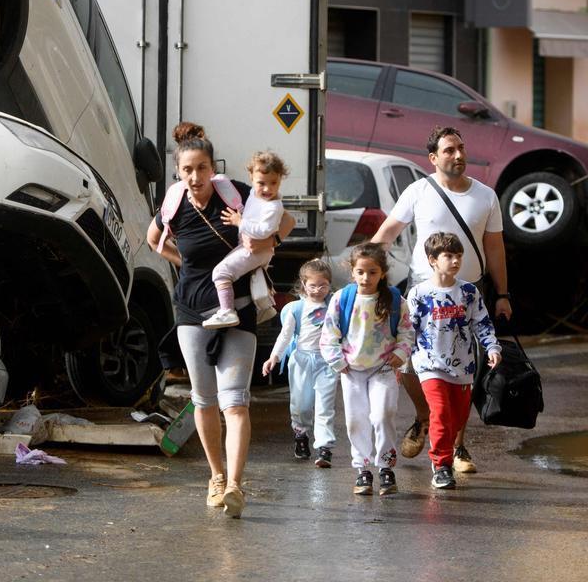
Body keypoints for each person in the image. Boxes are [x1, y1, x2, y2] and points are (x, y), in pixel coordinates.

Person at [148, 122, 295, 518]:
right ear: (179, 172)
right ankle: (215, 476)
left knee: (235, 401)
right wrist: (185, 266)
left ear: (213, 168)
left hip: (239, 309)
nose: (195, 177)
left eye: (201, 169)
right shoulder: (175, 203)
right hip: (192, 313)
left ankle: (235, 485)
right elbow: (152, 239)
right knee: (204, 399)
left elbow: (287, 221)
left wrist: (269, 244)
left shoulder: (237, 195)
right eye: (187, 170)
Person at [370, 125, 512, 474]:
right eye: (449, 150)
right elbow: (388, 232)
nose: (459, 155)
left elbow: (495, 248)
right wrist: (365, 268)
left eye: (461, 148)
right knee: (408, 362)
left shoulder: (486, 196)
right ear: (433, 158)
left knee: (466, 367)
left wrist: (503, 294)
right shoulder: (418, 191)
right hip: (422, 290)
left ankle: (457, 444)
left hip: (470, 292)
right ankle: (425, 416)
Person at [407, 232, 502, 490]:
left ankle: (444, 454)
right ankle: (442, 465)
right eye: (448, 256)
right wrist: (398, 354)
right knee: (440, 413)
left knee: (457, 418)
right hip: (429, 365)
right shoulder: (419, 293)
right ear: (433, 260)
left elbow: (481, 323)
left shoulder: (468, 292)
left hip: (462, 367)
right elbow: (408, 329)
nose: (455, 261)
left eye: (458, 256)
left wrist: (491, 346)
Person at [320, 243, 414, 497]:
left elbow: (407, 331)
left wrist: (400, 354)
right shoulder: (342, 298)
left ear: (382, 273)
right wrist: (338, 362)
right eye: (361, 272)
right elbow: (329, 335)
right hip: (352, 371)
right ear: (352, 272)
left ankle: (385, 467)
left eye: (372, 272)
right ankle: (363, 469)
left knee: (383, 415)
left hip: (383, 368)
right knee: (355, 420)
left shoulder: (395, 299)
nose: (366, 278)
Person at [262, 258, 337, 467]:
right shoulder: (296, 308)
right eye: (313, 285)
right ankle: (301, 435)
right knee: (301, 405)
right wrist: (274, 357)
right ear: (303, 284)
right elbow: (285, 336)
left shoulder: (334, 305)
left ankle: (324, 447)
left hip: (327, 361)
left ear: (330, 284)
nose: (318, 290)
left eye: (323, 285)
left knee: (325, 405)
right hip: (302, 360)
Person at [202, 150, 287, 328]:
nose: (267, 189)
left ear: (280, 179)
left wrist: (240, 222)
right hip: (250, 247)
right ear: (251, 177)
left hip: (258, 249)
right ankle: (263, 307)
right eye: (261, 183)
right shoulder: (253, 195)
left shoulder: (273, 207)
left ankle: (227, 311)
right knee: (249, 276)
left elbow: (263, 231)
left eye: (274, 183)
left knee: (221, 272)